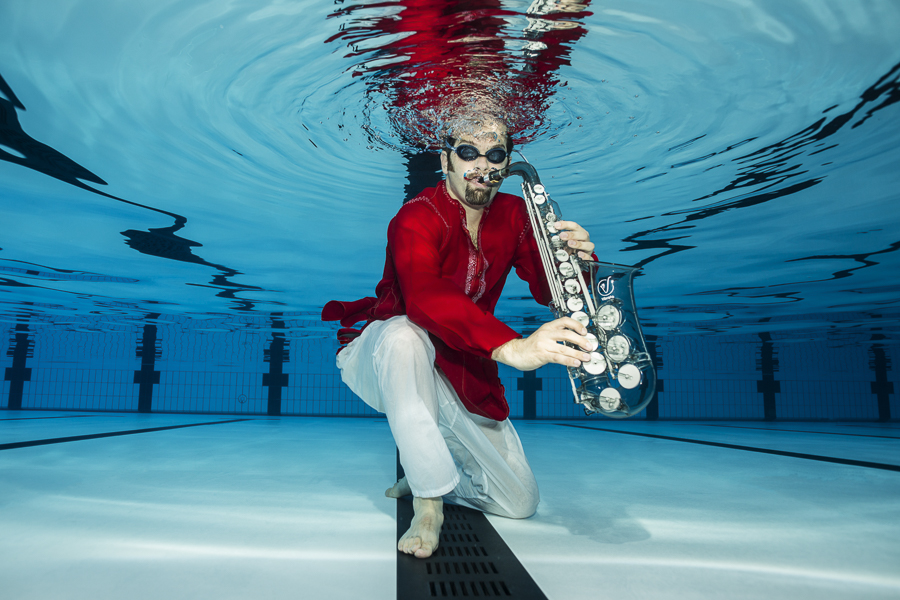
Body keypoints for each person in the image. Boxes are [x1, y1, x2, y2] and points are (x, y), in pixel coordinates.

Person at [321, 117, 597, 559]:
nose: (480, 164)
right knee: (406, 337)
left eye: (494, 154)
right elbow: (425, 297)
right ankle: (428, 506)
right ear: (445, 157)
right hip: (384, 353)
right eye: (467, 152)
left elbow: (552, 289)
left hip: (462, 365)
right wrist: (512, 346)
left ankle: (424, 467)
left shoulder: (516, 216)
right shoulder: (415, 217)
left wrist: (579, 265)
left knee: (520, 503)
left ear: (506, 163)